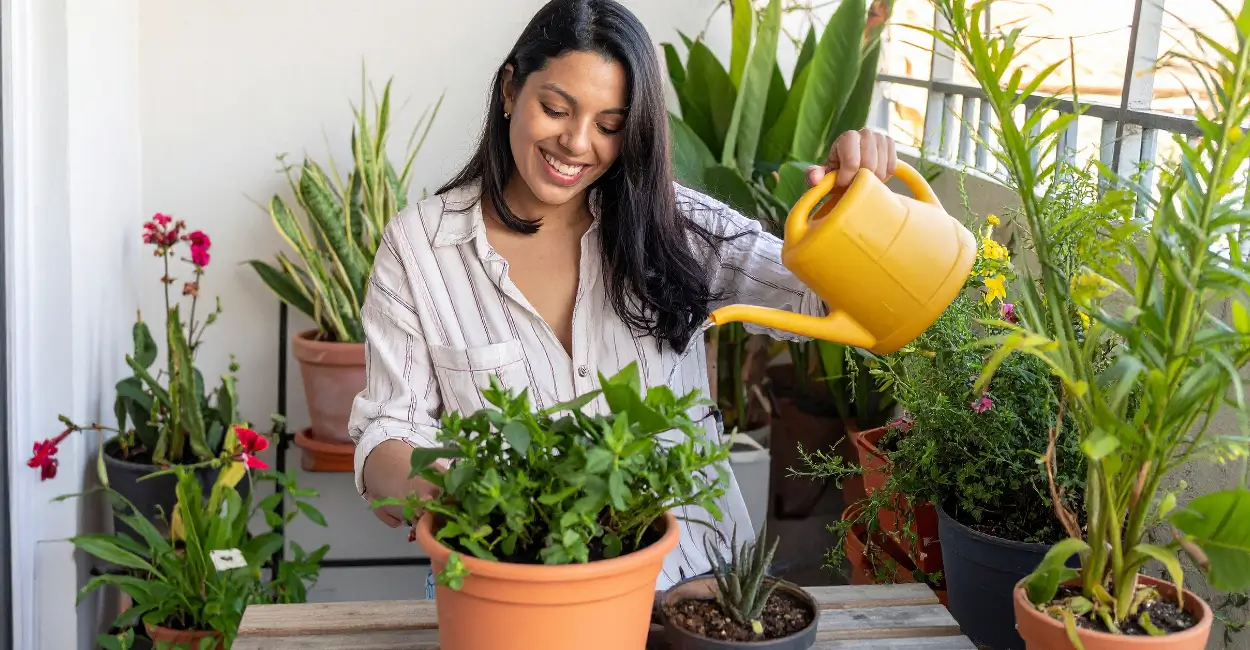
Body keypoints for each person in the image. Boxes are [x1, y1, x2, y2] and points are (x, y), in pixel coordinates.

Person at [348, 0, 899, 597]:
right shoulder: (422, 246)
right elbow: (388, 430)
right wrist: (465, 498)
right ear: (510, 90)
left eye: (609, 126)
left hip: (698, 584)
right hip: (509, 587)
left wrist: (856, 209)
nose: (576, 143)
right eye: (555, 109)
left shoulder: (677, 226)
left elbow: (834, 302)